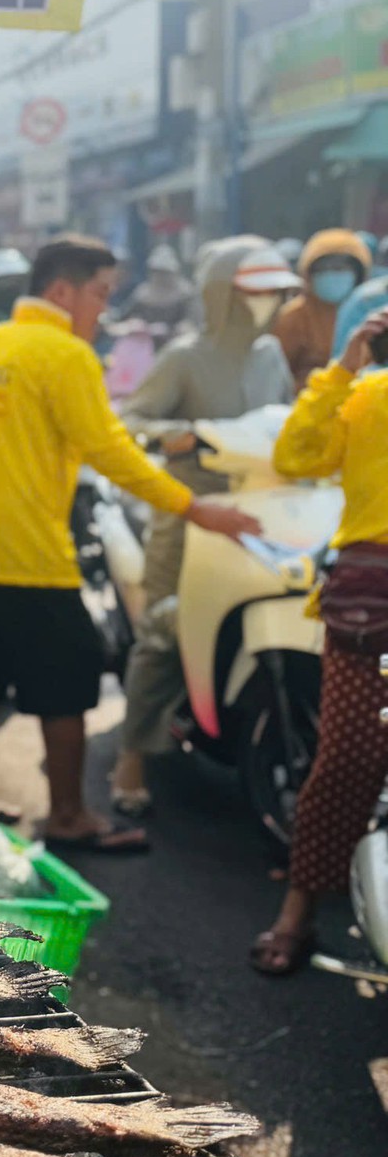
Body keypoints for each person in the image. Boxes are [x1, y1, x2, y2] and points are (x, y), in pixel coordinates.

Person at [0, 235, 262, 854]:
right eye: (101, 294)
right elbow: (109, 449)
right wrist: (193, 507)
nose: (104, 310)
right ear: (62, 291)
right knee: (69, 683)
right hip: (31, 556)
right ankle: (67, 816)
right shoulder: (66, 352)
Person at [109, 240, 298, 813]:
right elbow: (129, 421)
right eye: (253, 291)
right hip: (188, 512)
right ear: (222, 292)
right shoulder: (184, 358)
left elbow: (288, 420)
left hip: (263, 512)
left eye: (273, 292)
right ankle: (131, 758)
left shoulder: (270, 355)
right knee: (164, 633)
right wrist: (180, 433)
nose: (265, 303)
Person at [249, 311, 388, 974]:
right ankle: (297, 914)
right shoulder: (368, 397)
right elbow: (297, 454)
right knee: (346, 763)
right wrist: (345, 368)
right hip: (373, 600)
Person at [271, 228, 371, 387]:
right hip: (308, 402)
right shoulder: (293, 317)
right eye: (324, 269)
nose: (333, 275)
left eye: (340, 269)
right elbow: (276, 375)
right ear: (308, 273)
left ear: (358, 274)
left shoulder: (370, 311)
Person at [120, 244, 197, 331]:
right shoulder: (142, 293)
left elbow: (194, 319)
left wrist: (185, 325)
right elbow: (123, 316)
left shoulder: (185, 293)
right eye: (157, 272)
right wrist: (133, 323)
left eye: (164, 272)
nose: (160, 277)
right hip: (145, 340)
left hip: (177, 339)